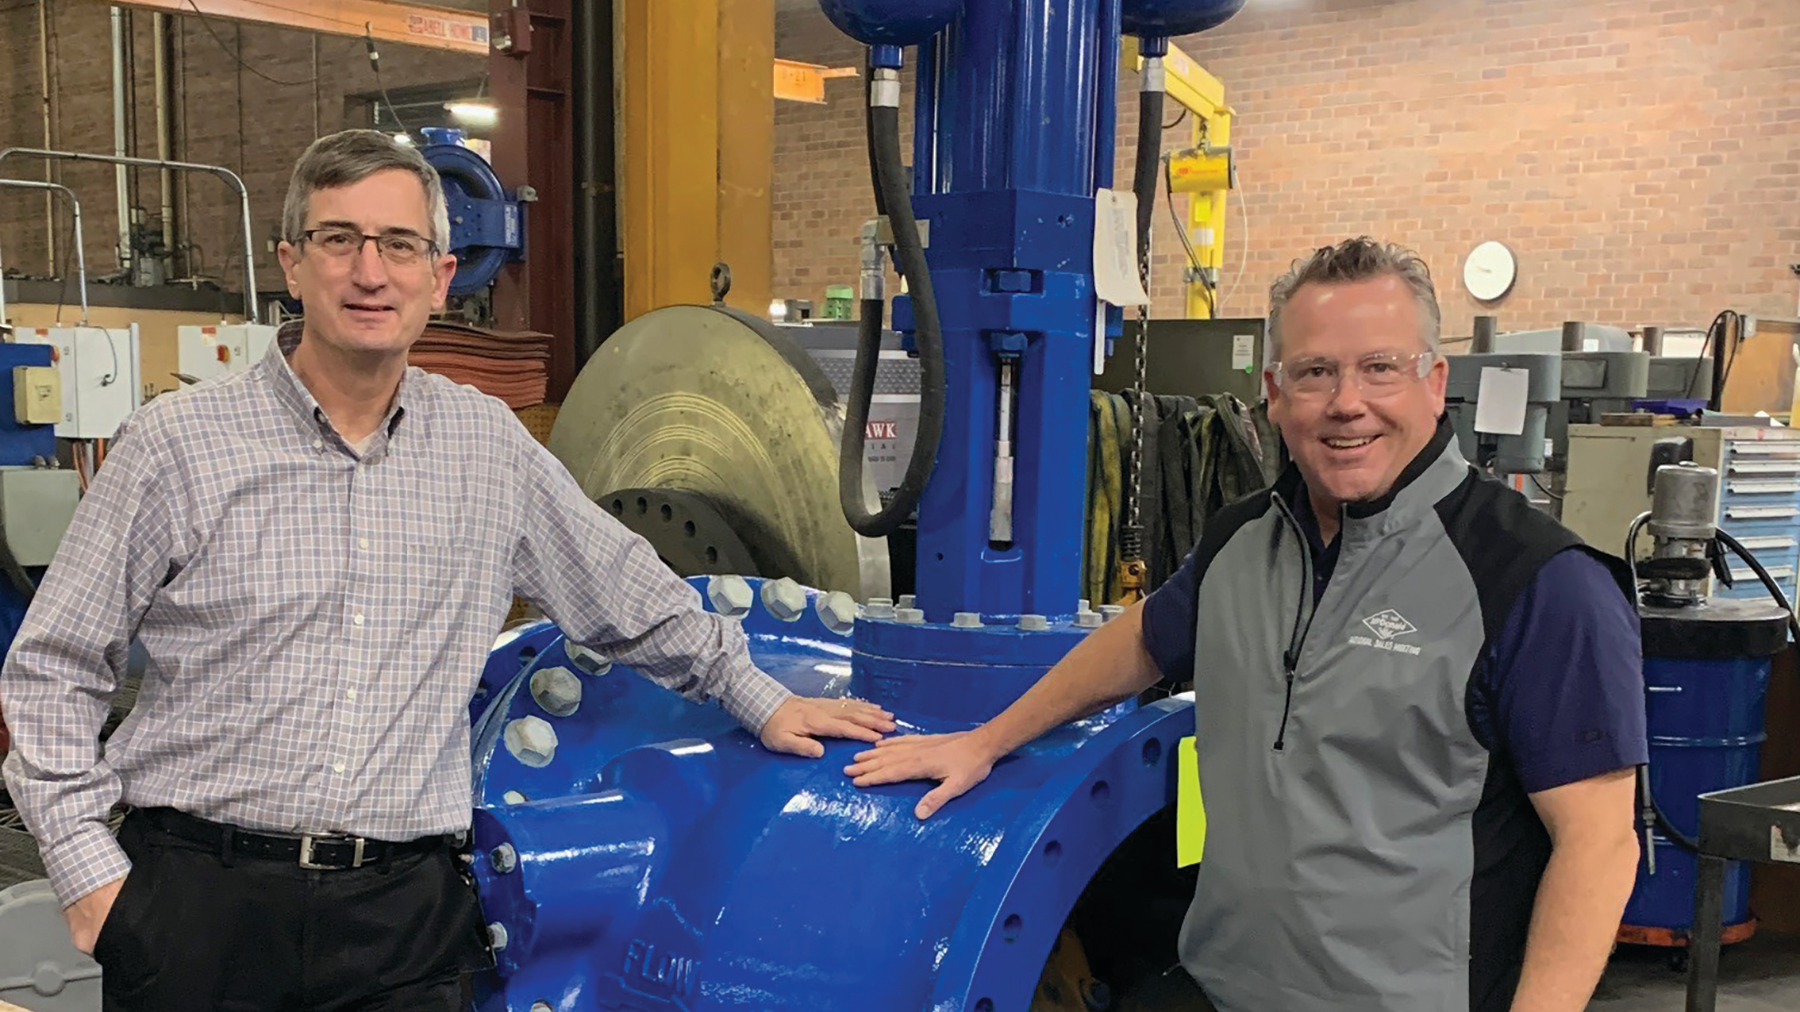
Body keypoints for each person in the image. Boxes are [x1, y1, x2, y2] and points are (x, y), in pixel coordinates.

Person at [0, 128, 894, 1012]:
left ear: (439, 276)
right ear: (291, 264)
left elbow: (628, 593)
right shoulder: (177, 445)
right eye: (338, 239)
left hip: (403, 920)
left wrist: (761, 693)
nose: (369, 271)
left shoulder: (485, 448)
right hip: (202, 902)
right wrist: (89, 879)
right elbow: (52, 665)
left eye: (400, 245)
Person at [845, 237, 1647, 1012]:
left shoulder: (1538, 583)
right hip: (1221, 989)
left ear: (1434, 382)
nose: (1346, 403)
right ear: (1273, 391)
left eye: (1380, 368)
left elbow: (1600, 847)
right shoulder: (1241, 541)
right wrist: (988, 739)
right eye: (1315, 372)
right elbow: (1141, 639)